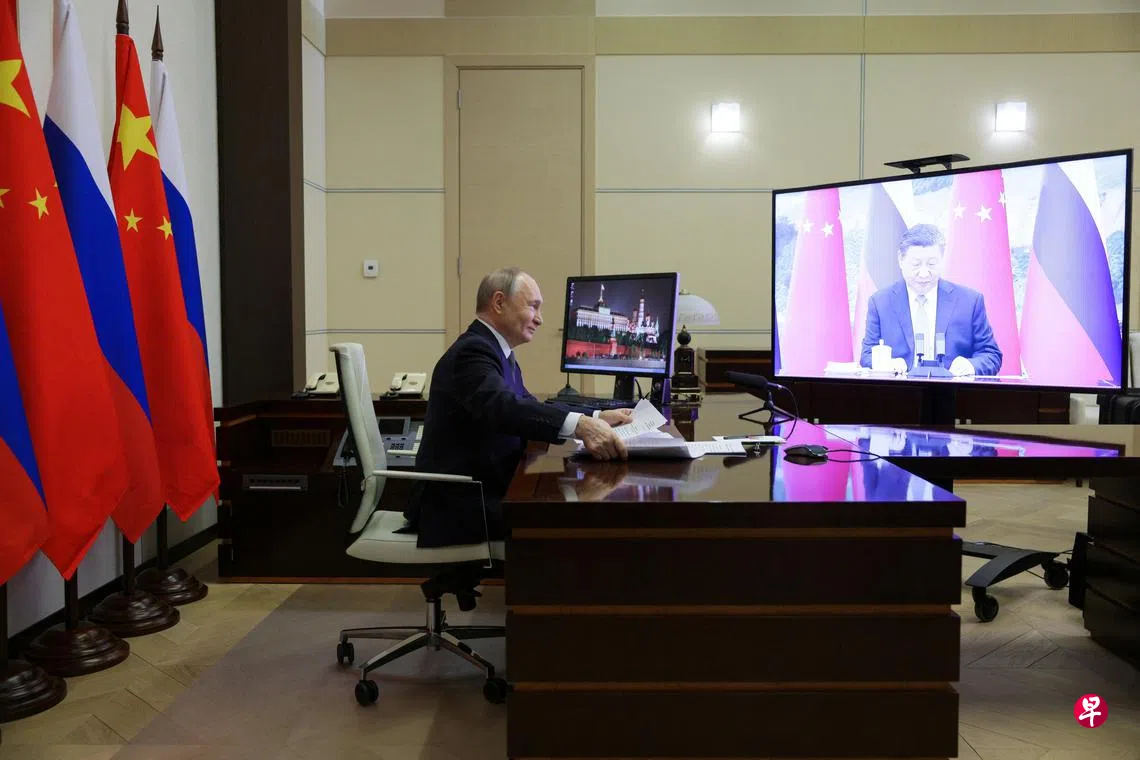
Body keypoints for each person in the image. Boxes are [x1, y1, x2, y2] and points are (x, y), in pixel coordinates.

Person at [404, 267, 634, 548]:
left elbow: (528, 405)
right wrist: (581, 426)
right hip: (460, 505)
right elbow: (503, 407)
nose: (540, 319)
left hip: (485, 488)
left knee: (571, 500)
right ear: (499, 302)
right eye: (533, 306)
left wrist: (596, 416)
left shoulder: (496, 352)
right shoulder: (472, 351)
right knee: (573, 517)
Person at [859, 224, 1002, 377]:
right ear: (901, 260)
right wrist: (887, 363)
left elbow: (991, 355)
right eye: (916, 264)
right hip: (901, 389)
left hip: (952, 388)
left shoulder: (969, 301)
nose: (924, 273)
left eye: (932, 264)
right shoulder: (881, 302)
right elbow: (867, 355)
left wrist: (971, 365)